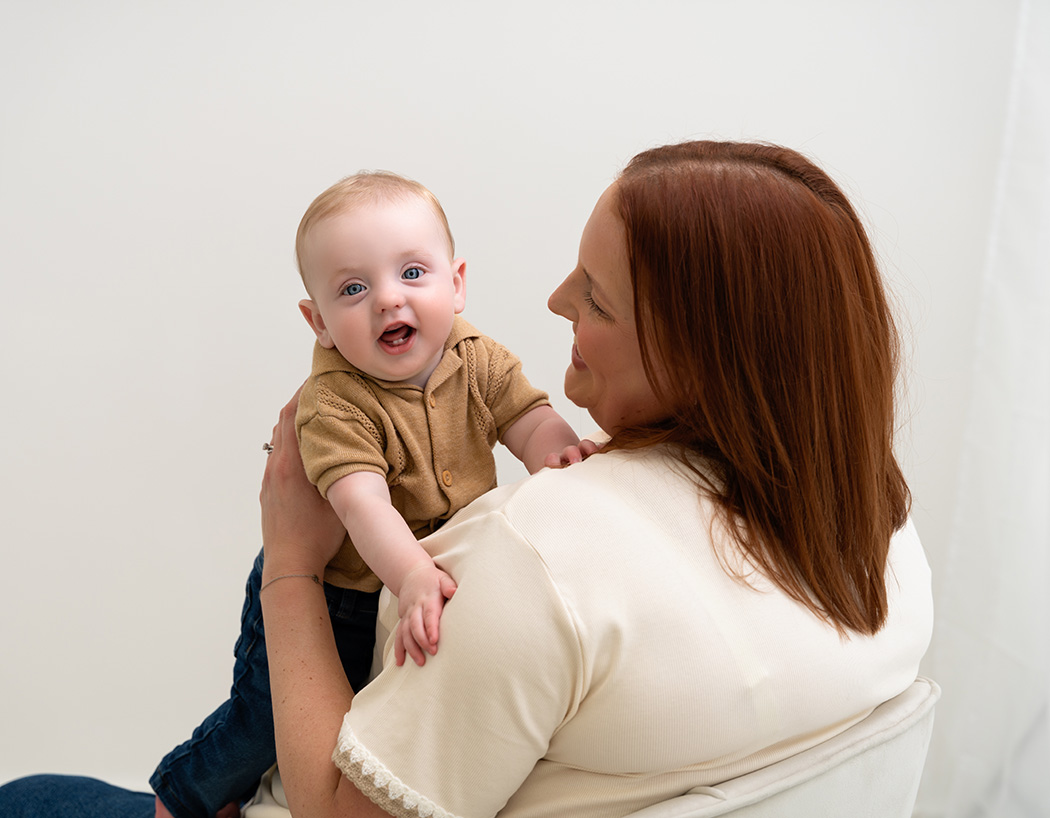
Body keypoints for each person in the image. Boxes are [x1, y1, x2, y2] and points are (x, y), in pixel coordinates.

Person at [0, 140, 934, 818]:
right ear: (318, 317)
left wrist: (288, 559)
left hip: (340, 689)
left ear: (699, 351)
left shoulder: (544, 561)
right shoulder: (875, 529)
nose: (558, 300)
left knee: (30, 800)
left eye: (596, 296)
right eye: (354, 288)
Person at [150, 172, 582, 818]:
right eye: (354, 288)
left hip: (411, 589)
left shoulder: (477, 357)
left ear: (456, 283)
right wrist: (410, 575)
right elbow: (362, 505)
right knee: (265, 718)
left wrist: (561, 456)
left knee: (369, 723)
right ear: (318, 321)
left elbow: (528, 418)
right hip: (343, 593)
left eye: (413, 273)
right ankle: (182, 795)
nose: (388, 300)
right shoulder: (334, 400)